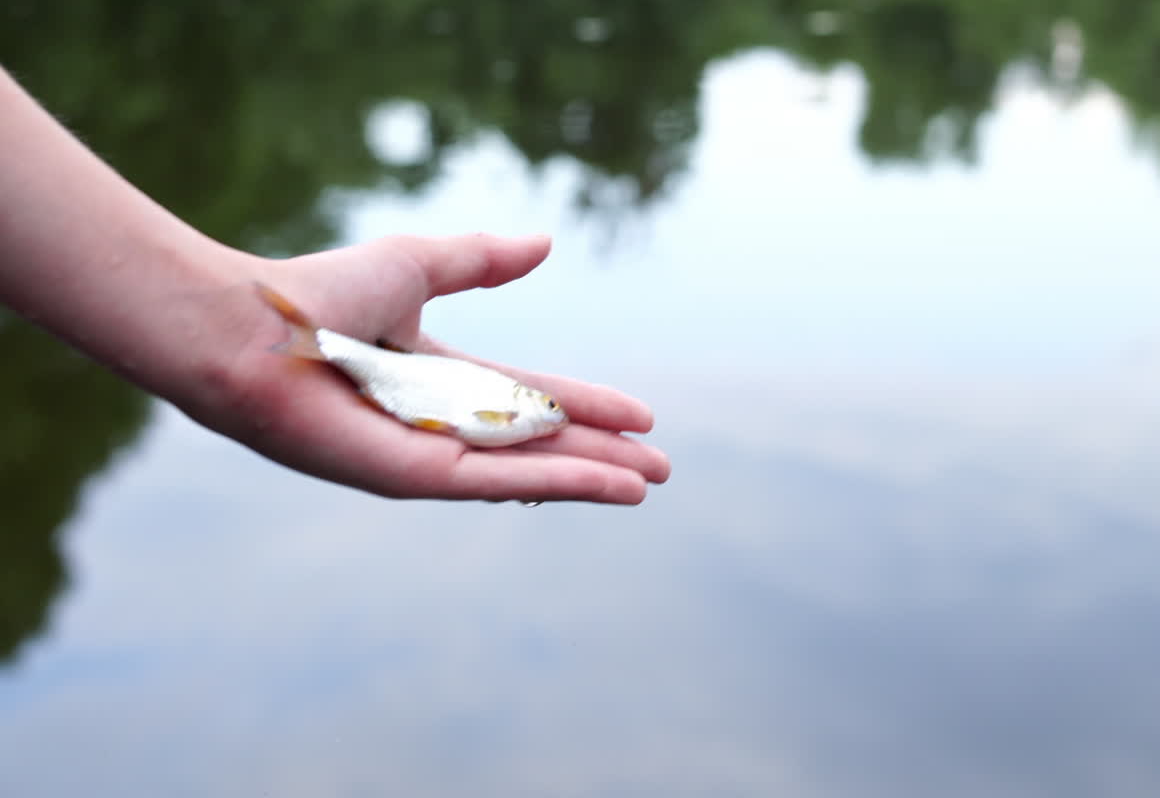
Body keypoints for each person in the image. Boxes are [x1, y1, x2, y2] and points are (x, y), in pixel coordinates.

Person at [0, 66, 669, 504]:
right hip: (376, 366)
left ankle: (291, 340)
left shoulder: (513, 414)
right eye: (546, 411)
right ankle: (294, 340)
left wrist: (225, 332)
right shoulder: (512, 413)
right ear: (527, 406)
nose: (547, 418)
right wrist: (228, 330)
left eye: (547, 413)